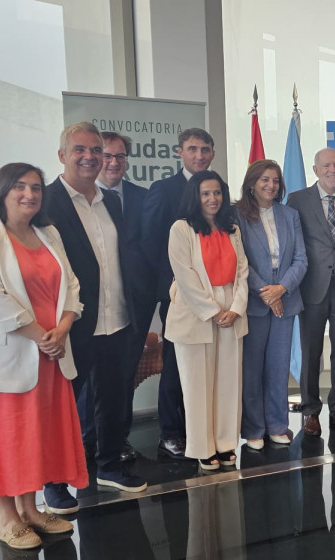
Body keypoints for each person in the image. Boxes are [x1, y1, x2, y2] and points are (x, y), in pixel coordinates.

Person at [0, 162, 84, 549]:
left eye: (35, 187)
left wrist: (61, 329)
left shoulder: (48, 233)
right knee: (6, 435)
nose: (29, 194)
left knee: (36, 435)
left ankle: (31, 510)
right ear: (2, 191)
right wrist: (41, 336)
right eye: (20, 187)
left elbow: (72, 286)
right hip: (11, 355)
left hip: (51, 354)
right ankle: (7, 518)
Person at [42, 122, 145, 514]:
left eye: (96, 150)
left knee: (115, 399)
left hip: (118, 319)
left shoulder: (110, 202)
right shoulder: (47, 202)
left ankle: (109, 465)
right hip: (73, 324)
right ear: (62, 155)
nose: (90, 156)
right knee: (65, 404)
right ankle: (54, 481)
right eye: (80, 149)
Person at [166, 170, 249, 470]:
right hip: (196, 314)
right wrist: (213, 312)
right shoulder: (181, 229)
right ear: (195, 196)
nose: (212, 199)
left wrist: (236, 308)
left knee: (228, 382)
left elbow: (243, 272)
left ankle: (226, 442)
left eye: (217, 193)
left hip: (231, 310)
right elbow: (185, 276)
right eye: (205, 193)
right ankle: (202, 447)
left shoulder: (232, 229)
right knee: (197, 385)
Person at [142, 128, 217, 459]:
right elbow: (150, 241)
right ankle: (170, 432)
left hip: (214, 296)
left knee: (204, 364)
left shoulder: (215, 189)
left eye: (204, 149)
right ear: (179, 152)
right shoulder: (163, 189)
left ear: (212, 153)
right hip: (177, 296)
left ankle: (198, 429)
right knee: (175, 363)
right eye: (192, 149)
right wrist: (173, 285)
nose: (198, 155)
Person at [287, 148, 335, 435]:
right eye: (327, 165)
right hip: (311, 287)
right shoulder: (297, 200)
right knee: (311, 352)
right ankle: (310, 412)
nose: (334, 169)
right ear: (315, 169)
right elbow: (292, 246)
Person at [237, 160, 307, 449]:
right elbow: (240, 260)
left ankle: (278, 424)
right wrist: (266, 293)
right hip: (253, 303)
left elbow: (301, 259)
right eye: (264, 179)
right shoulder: (237, 215)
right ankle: (253, 428)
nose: (271, 185)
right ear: (252, 183)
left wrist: (281, 289)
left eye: (275, 180)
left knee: (278, 368)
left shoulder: (290, 215)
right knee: (252, 369)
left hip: (286, 301)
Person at [96, 131, 153, 463]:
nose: (113, 163)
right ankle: (91, 442)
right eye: (107, 156)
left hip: (134, 304)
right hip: (94, 307)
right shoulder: (85, 200)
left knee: (124, 376)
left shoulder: (142, 197)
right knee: (94, 382)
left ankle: (119, 440)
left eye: (119, 157)